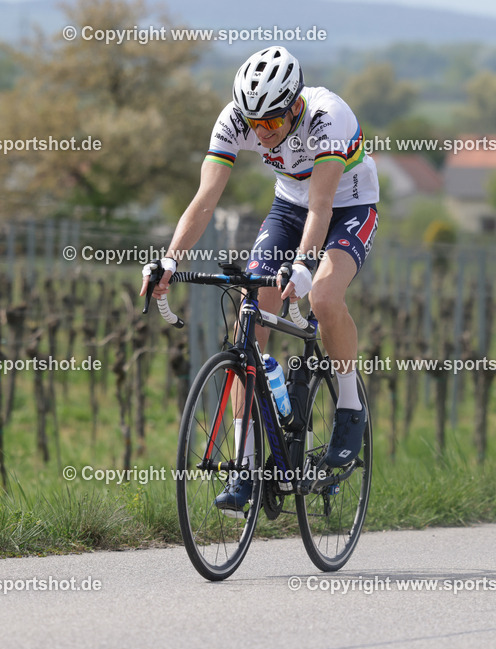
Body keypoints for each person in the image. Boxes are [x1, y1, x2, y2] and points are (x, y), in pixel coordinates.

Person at [140, 46, 379, 512]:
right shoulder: (236, 119)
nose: (262, 132)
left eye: (271, 121)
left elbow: (322, 206)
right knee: (248, 319)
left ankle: (350, 407)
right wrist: (169, 261)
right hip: (288, 209)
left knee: (324, 297)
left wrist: (304, 264)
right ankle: (246, 466)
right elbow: (206, 198)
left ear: (294, 105)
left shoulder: (327, 117)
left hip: (347, 208)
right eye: (254, 123)